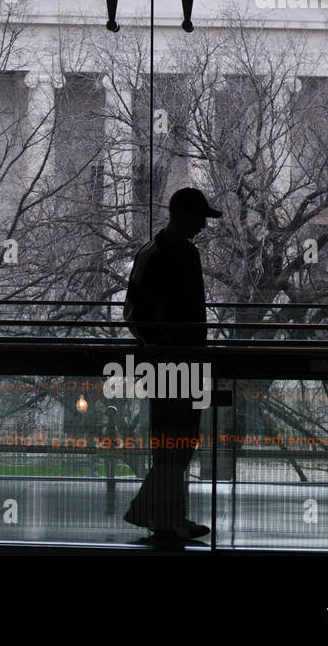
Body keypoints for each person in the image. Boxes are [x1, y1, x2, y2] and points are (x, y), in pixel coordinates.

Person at [122, 186, 221, 541]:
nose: (202, 226)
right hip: (179, 361)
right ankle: (163, 515)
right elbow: (135, 314)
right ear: (182, 214)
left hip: (171, 362)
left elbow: (134, 314)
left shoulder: (155, 253)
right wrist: (171, 347)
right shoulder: (176, 255)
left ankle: (165, 516)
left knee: (174, 443)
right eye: (199, 217)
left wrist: (161, 345)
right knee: (178, 443)